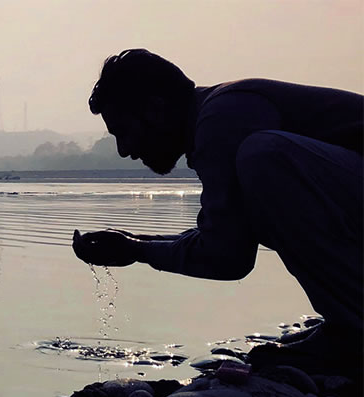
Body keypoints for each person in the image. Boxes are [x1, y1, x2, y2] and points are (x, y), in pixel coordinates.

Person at [72, 49, 362, 375]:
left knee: (263, 156)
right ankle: (346, 323)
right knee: (257, 182)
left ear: (156, 109)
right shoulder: (216, 120)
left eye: (124, 132)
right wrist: (135, 246)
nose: (124, 150)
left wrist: (137, 250)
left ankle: (352, 332)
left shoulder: (222, 120)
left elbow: (226, 257)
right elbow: (225, 242)